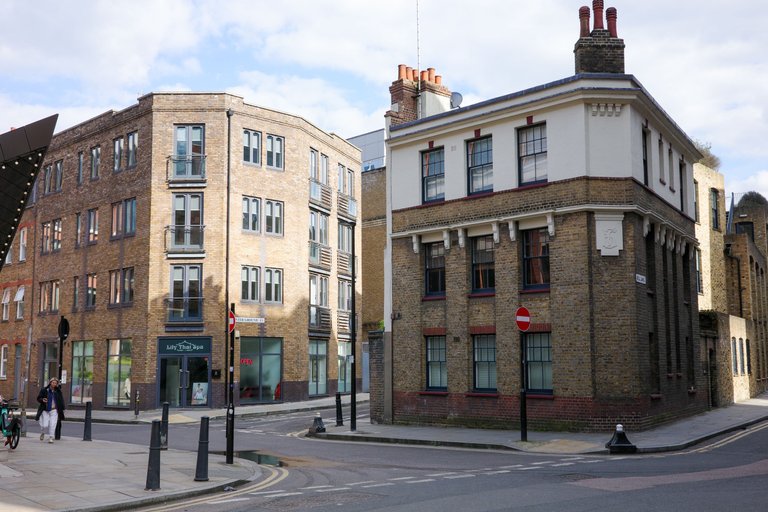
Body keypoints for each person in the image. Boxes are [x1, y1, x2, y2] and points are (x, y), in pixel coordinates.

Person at [36, 377, 65, 444]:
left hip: (54, 410)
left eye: (55, 383)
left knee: (53, 424)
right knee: (44, 425)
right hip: (45, 410)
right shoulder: (44, 390)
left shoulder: (58, 391)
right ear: (50, 383)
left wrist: (62, 409)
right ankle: (43, 432)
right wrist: (42, 400)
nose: (54, 384)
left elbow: (61, 400)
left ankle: (51, 437)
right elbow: (38, 398)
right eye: (53, 382)